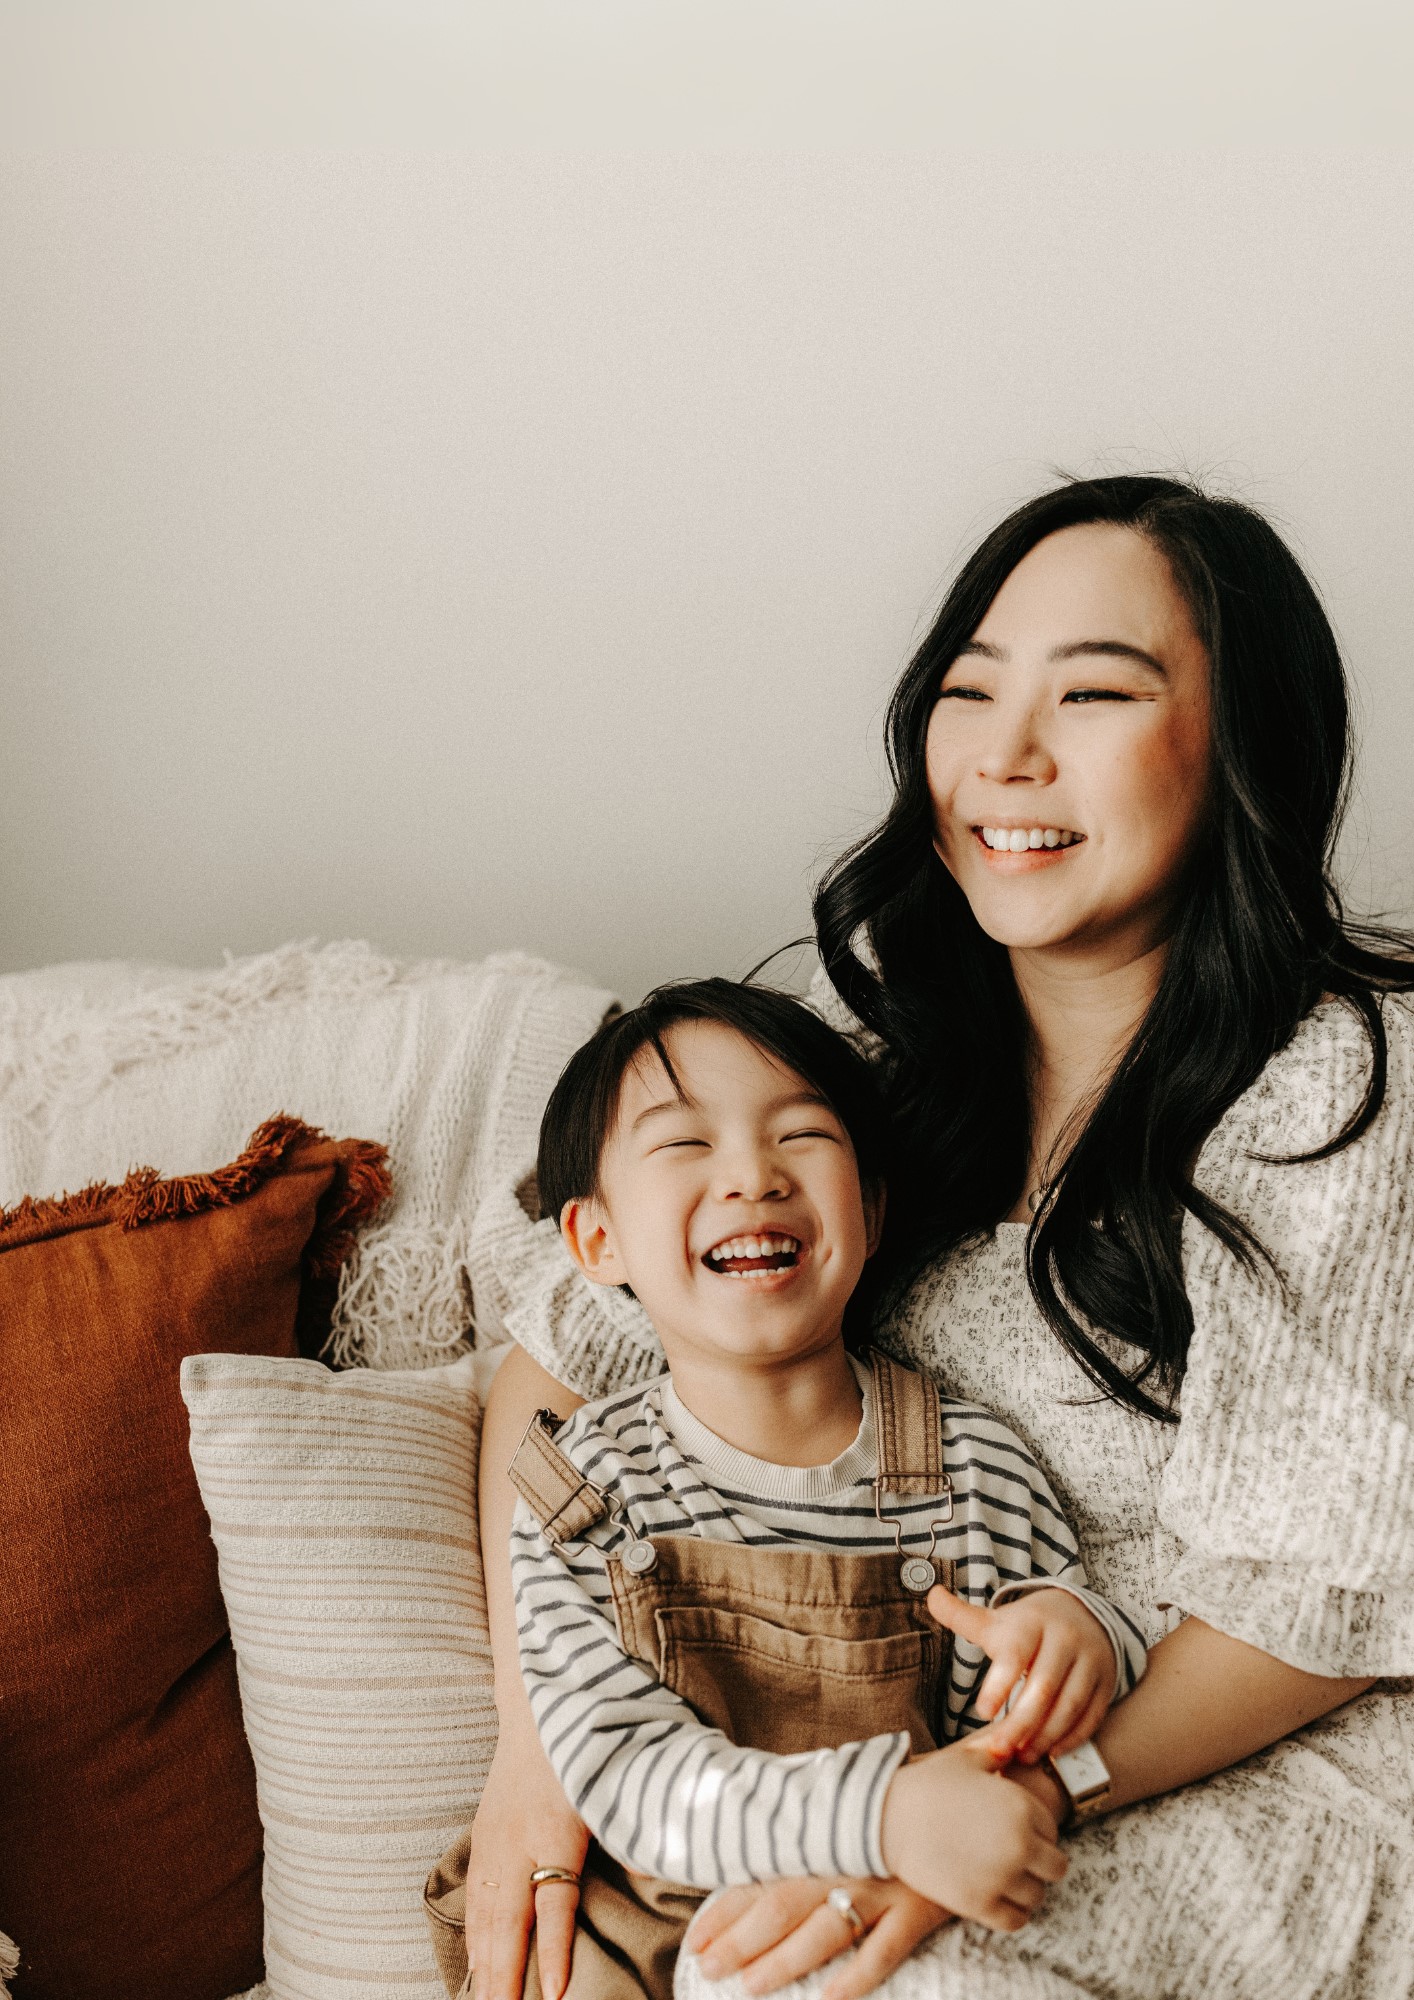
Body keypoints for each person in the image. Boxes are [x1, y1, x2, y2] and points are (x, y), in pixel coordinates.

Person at [466, 475, 1414, 2000]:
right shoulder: (864, 1069)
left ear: (1241, 743)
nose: (1004, 755)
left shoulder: (1343, 1082)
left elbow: (1327, 1604)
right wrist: (536, 1757)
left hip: (1252, 1767)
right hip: (895, 1771)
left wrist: (1004, 1796)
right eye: (968, 692)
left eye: (1091, 693)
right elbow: (553, 1358)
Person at [426, 980, 1147, 2000]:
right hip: (630, 1915)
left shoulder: (973, 1463)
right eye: (685, 1144)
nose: (752, 1176)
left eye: (800, 1135)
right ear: (596, 1241)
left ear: (872, 1208)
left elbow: (1046, 1683)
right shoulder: (582, 1487)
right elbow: (626, 1773)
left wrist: (1075, 1638)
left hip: (879, 1897)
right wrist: (882, 1811)